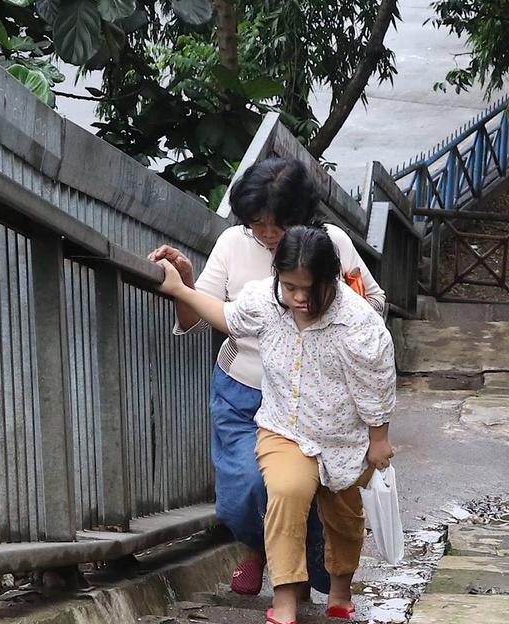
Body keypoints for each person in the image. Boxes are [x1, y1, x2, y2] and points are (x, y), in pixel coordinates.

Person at [149, 157, 385, 597]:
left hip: (315, 396)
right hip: (242, 388)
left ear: (301, 216)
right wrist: (185, 282)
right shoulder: (233, 244)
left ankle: (299, 575)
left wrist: (336, 312)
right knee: (243, 493)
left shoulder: (329, 242)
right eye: (257, 222)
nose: (267, 234)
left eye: (278, 223)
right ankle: (262, 550)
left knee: (308, 487)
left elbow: (374, 304)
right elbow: (200, 316)